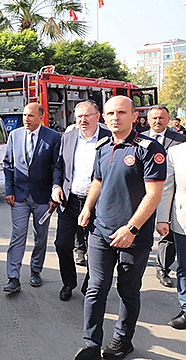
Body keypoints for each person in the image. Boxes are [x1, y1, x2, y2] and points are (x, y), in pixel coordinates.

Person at [74, 96, 166, 360]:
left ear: (134, 115)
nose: (116, 117)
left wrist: (132, 228)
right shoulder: (102, 147)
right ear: (104, 117)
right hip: (100, 232)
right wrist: (88, 208)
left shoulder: (148, 149)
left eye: (122, 112)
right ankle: (91, 343)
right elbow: (98, 181)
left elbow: (153, 195)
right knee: (96, 287)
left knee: (127, 290)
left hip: (132, 236)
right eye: (111, 113)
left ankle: (122, 341)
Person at [52, 100, 111, 301]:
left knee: (96, 248)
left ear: (98, 116)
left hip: (98, 204)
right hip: (69, 202)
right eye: (79, 116)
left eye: (87, 115)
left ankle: (90, 284)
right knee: (61, 244)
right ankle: (68, 283)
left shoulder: (109, 138)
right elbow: (58, 167)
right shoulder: (67, 138)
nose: (83, 120)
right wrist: (56, 186)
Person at [2, 103, 60, 292]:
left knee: (40, 236)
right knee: (17, 236)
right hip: (19, 196)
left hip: (43, 198)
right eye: (24, 115)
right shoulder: (14, 135)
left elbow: (57, 167)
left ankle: (36, 271)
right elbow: (8, 164)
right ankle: (13, 277)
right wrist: (9, 190)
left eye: (31, 116)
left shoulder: (52, 137)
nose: (26, 119)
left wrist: (54, 194)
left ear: (41, 118)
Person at [142, 105, 186, 288]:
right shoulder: (139, 138)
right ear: (148, 119)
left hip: (169, 192)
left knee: (166, 235)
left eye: (161, 118)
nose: (157, 121)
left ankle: (163, 268)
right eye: (154, 118)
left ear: (168, 120)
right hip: (143, 193)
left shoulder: (180, 140)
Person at [156, 140, 186, 329]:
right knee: (184, 267)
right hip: (183, 220)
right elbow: (167, 188)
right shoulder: (176, 152)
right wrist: (162, 218)